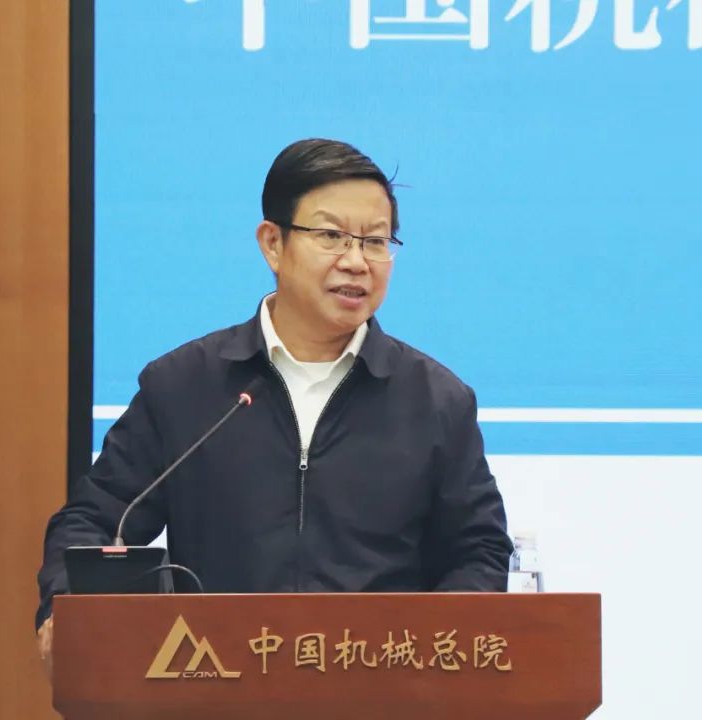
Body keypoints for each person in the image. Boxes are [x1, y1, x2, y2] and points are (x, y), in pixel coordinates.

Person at [36, 138, 512, 674]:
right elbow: (95, 521)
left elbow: (478, 551)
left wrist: (433, 656)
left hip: (379, 691)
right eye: (331, 236)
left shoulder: (435, 400)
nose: (356, 262)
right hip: (214, 686)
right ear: (273, 244)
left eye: (376, 242)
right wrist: (66, 608)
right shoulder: (185, 386)